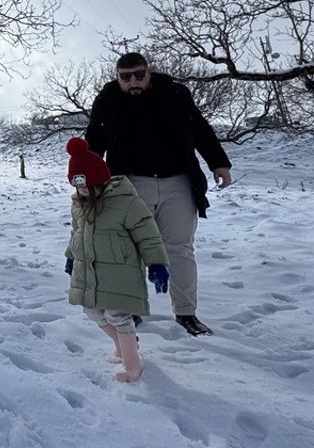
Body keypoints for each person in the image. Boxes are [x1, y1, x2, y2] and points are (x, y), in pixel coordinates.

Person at [86, 51, 232, 337]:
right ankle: (134, 310)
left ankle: (187, 313)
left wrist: (219, 163)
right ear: (118, 77)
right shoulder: (107, 100)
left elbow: (199, 128)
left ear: (149, 72)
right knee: (130, 250)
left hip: (178, 183)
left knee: (179, 248)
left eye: (139, 74)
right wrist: (88, 178)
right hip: (129, 184)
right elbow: (94, 139)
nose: (133, 81)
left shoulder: (175, 93)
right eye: (126, 77)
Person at [63, 137, 170, 382]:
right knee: (91, 311)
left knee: (118, 316)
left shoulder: (126, 202)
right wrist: (71, 256)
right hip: (89, 270)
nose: (80, 191)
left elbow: (148, 235)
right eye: (76, 186)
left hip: (120, 273)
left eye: (84, 186)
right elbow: (76, 232)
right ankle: (124, 345)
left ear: (98, 181)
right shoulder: (79, 204)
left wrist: (156, 263)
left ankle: (133, 367)